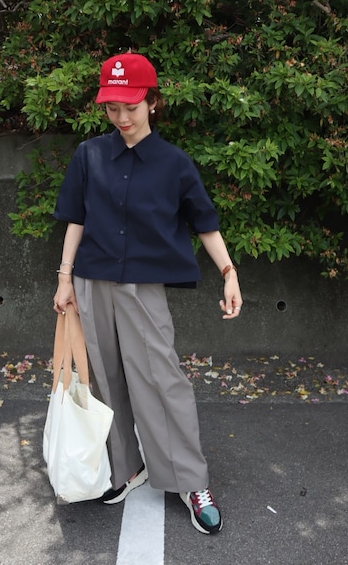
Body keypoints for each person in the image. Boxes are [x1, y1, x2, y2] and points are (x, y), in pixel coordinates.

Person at [52, 53, 243, 534]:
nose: (121, 117)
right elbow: (76, 218)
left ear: (153, 102)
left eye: (131, 106)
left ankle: (191, 481)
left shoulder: (174, 163)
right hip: (92, 280)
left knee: (162, 378)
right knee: (104, 378)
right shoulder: (89, 155)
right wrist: (65, 278)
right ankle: (126, 468)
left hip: (142, 287)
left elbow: (205, 223)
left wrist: (229, 272)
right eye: (112, 107)